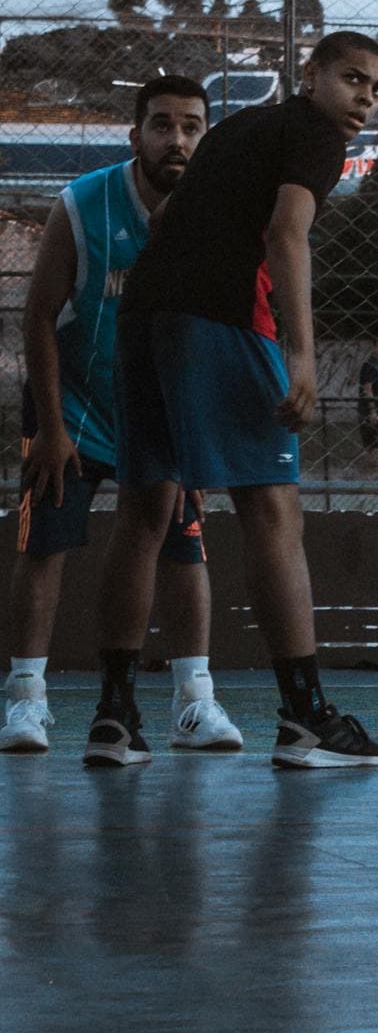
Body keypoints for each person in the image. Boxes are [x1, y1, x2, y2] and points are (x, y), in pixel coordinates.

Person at [94, 31, 378, 770]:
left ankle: (114, 717)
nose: (364, 96)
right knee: (272, 512)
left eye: (377, 88)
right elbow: (290, 236)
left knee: (143, 511)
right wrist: (300, 352)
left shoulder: (238, 129)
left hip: (147, 317)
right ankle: (305, 719)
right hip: (219, 322)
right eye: (352, 78)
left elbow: (163, 223)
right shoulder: (314, 134)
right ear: (312, 76)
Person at [2, 76, 243, 758]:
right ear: (135, 135)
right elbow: (39, 318)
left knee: (185, 543)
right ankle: (25, 702)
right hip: (75, 401)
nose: (178, 139)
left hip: (163, 406)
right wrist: (50, 429)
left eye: (192, 126)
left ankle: (194, 704)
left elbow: (215, 327)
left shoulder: (213, 212)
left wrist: (199, 425)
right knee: (44, 544)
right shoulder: (83, 203)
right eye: (163, 125)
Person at [356, 339, 378, 458]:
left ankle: (369, 472)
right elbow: (367, 389)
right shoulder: (370, 365)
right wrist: (372, 412)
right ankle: (367, 472)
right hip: (369, 411)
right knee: (375, 446)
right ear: (374, 347)